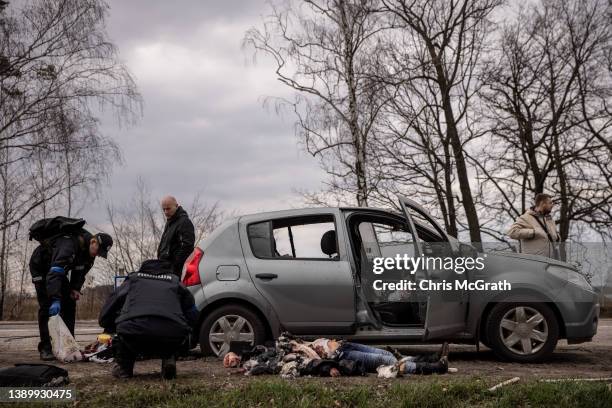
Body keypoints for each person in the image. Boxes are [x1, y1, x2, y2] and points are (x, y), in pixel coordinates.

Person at [98, 259, 199, 380]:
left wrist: (108, 325)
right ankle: (169, 360)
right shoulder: (175, 282)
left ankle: (124, 368)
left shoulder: (133, 279)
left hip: (133, 333)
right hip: (170, 335)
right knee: (175, 334)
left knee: (123, 334)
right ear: (168, 270)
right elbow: (193, 313)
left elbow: (113, 302)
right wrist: (188, 331)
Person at [29, 221, 112, 361]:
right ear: (93, 241)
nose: (97, 255)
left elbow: (80, 271)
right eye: (98, 251)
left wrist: (75, 289)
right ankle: (46, 348)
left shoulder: (88, 254)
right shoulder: (68, 245)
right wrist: (55, 298)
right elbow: (54, 273)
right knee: (47, 306)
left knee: (69, 303)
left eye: (100, 253)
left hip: (57, 271)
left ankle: (68, 346)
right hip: (42, 267)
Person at [222, 334, 448, 378]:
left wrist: (234, 351)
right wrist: (239, 362)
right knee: (389, 362)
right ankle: (435, 368)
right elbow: (258, 361)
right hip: (341, 356)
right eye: (233, 362)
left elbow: (258, 348)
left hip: (342, 344)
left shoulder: (278, 346)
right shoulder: (283, 361)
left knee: (387, 353)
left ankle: (432, 359)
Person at [507, 193, 561, 258]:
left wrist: (557, 237)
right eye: (550, 203)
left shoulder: (549, 220)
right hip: (534, 263)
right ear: (542, 204)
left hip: (550, 263)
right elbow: (512, 232)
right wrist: (534, 232)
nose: (552, 205)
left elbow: (556, 237)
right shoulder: (526, 217)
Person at [157, 196, 195, 277]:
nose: (166, 212)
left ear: (176, 206)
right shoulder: (170, 222)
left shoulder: (184, 222)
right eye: (164, 209)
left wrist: (174, 265)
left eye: (168, 209)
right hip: (165, 269)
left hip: (176, 271)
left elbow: (187, 246)